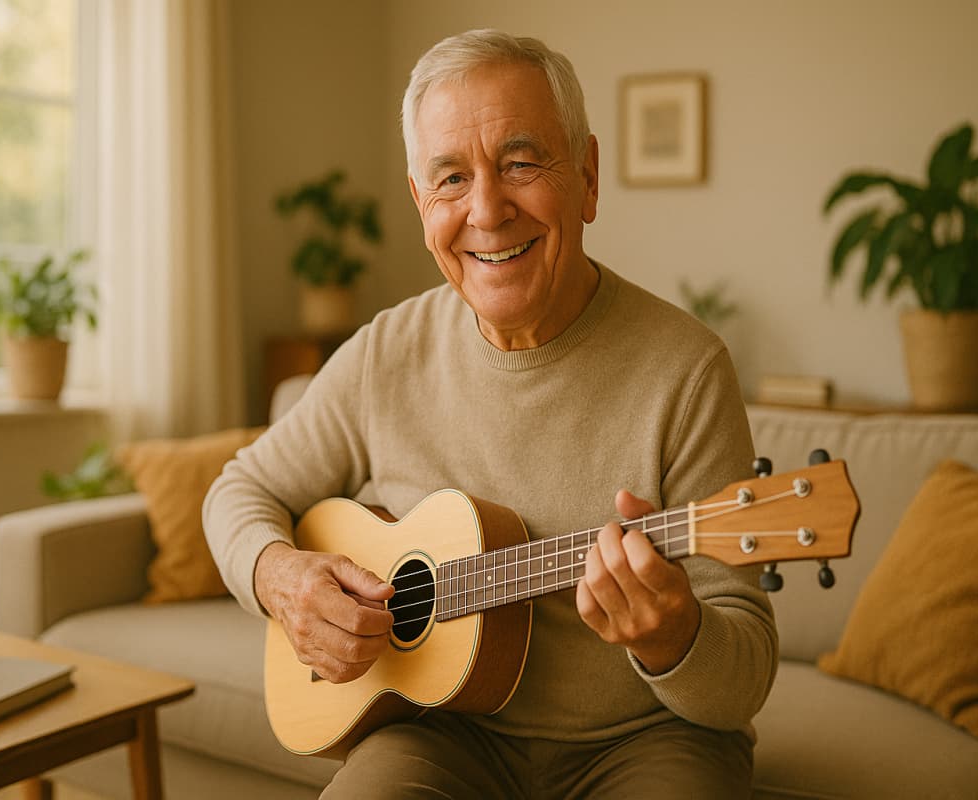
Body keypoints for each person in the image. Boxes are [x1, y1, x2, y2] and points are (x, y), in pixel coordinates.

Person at [204, 28, 777, 799]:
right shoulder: (386, 352)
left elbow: (741, 681)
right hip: (436, 737)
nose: (486, 209)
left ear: (588, 177)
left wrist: (676, 637)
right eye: (450, 178)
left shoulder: (687, 369)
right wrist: (282, 579)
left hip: (645, 743)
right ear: (420, 202)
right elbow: (237, 491)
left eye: (519, 162)